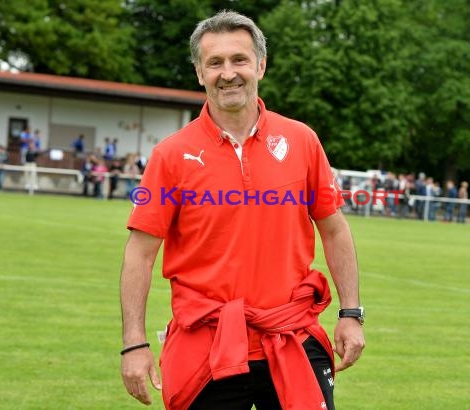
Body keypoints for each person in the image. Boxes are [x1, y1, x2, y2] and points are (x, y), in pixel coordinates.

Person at [119, 11, 364, 410]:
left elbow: (334, 229)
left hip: (291, 337)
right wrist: (134, 343)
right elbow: (140, 253)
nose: (228, 73)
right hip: (207, 344)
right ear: (200, 73)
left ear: (261, 66)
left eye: (239, 60)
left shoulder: (301, 140)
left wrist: (351, 312)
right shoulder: (170, 155)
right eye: (214, 62)